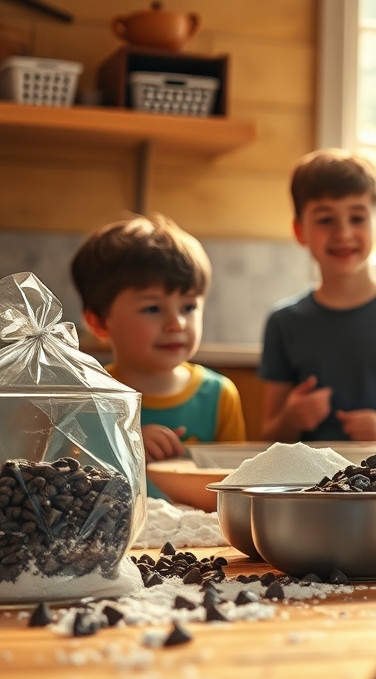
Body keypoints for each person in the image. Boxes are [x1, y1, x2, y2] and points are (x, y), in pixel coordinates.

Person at [259, 149, 376, 443]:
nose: (343, 232)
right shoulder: (284, 322)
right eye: (325, 220)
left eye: (357, 218)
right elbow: (269, 434)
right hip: (310, 485)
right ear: (299, 230)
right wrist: (291, 419)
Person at [71, 214, 245, 508]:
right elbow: (72, 483)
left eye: (188, 306)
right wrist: (129, 445)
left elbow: (236, 485)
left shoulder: (219, 395)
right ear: (99, 322)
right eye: (153, 308)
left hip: (202, 542)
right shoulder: (91, 398)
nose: (176, 323)